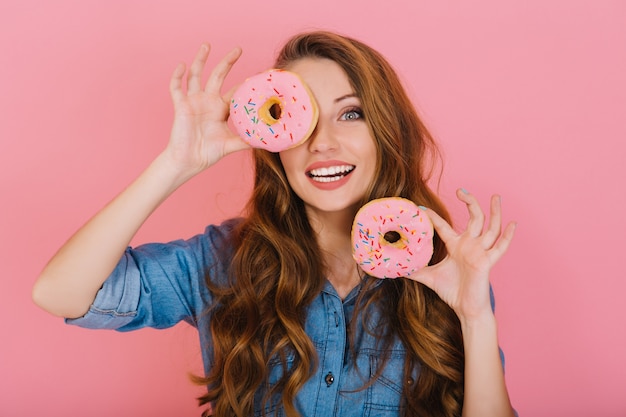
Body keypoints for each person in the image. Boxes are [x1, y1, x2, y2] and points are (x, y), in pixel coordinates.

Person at [32, 31, 517, 417]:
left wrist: (476, 317)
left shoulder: (444, 269)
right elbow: (60, 293)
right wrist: (175, 164)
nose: (322, 142)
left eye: (351, 113)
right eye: (300, 118)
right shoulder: (221, 260)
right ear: (272, 139)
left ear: (386, 132)